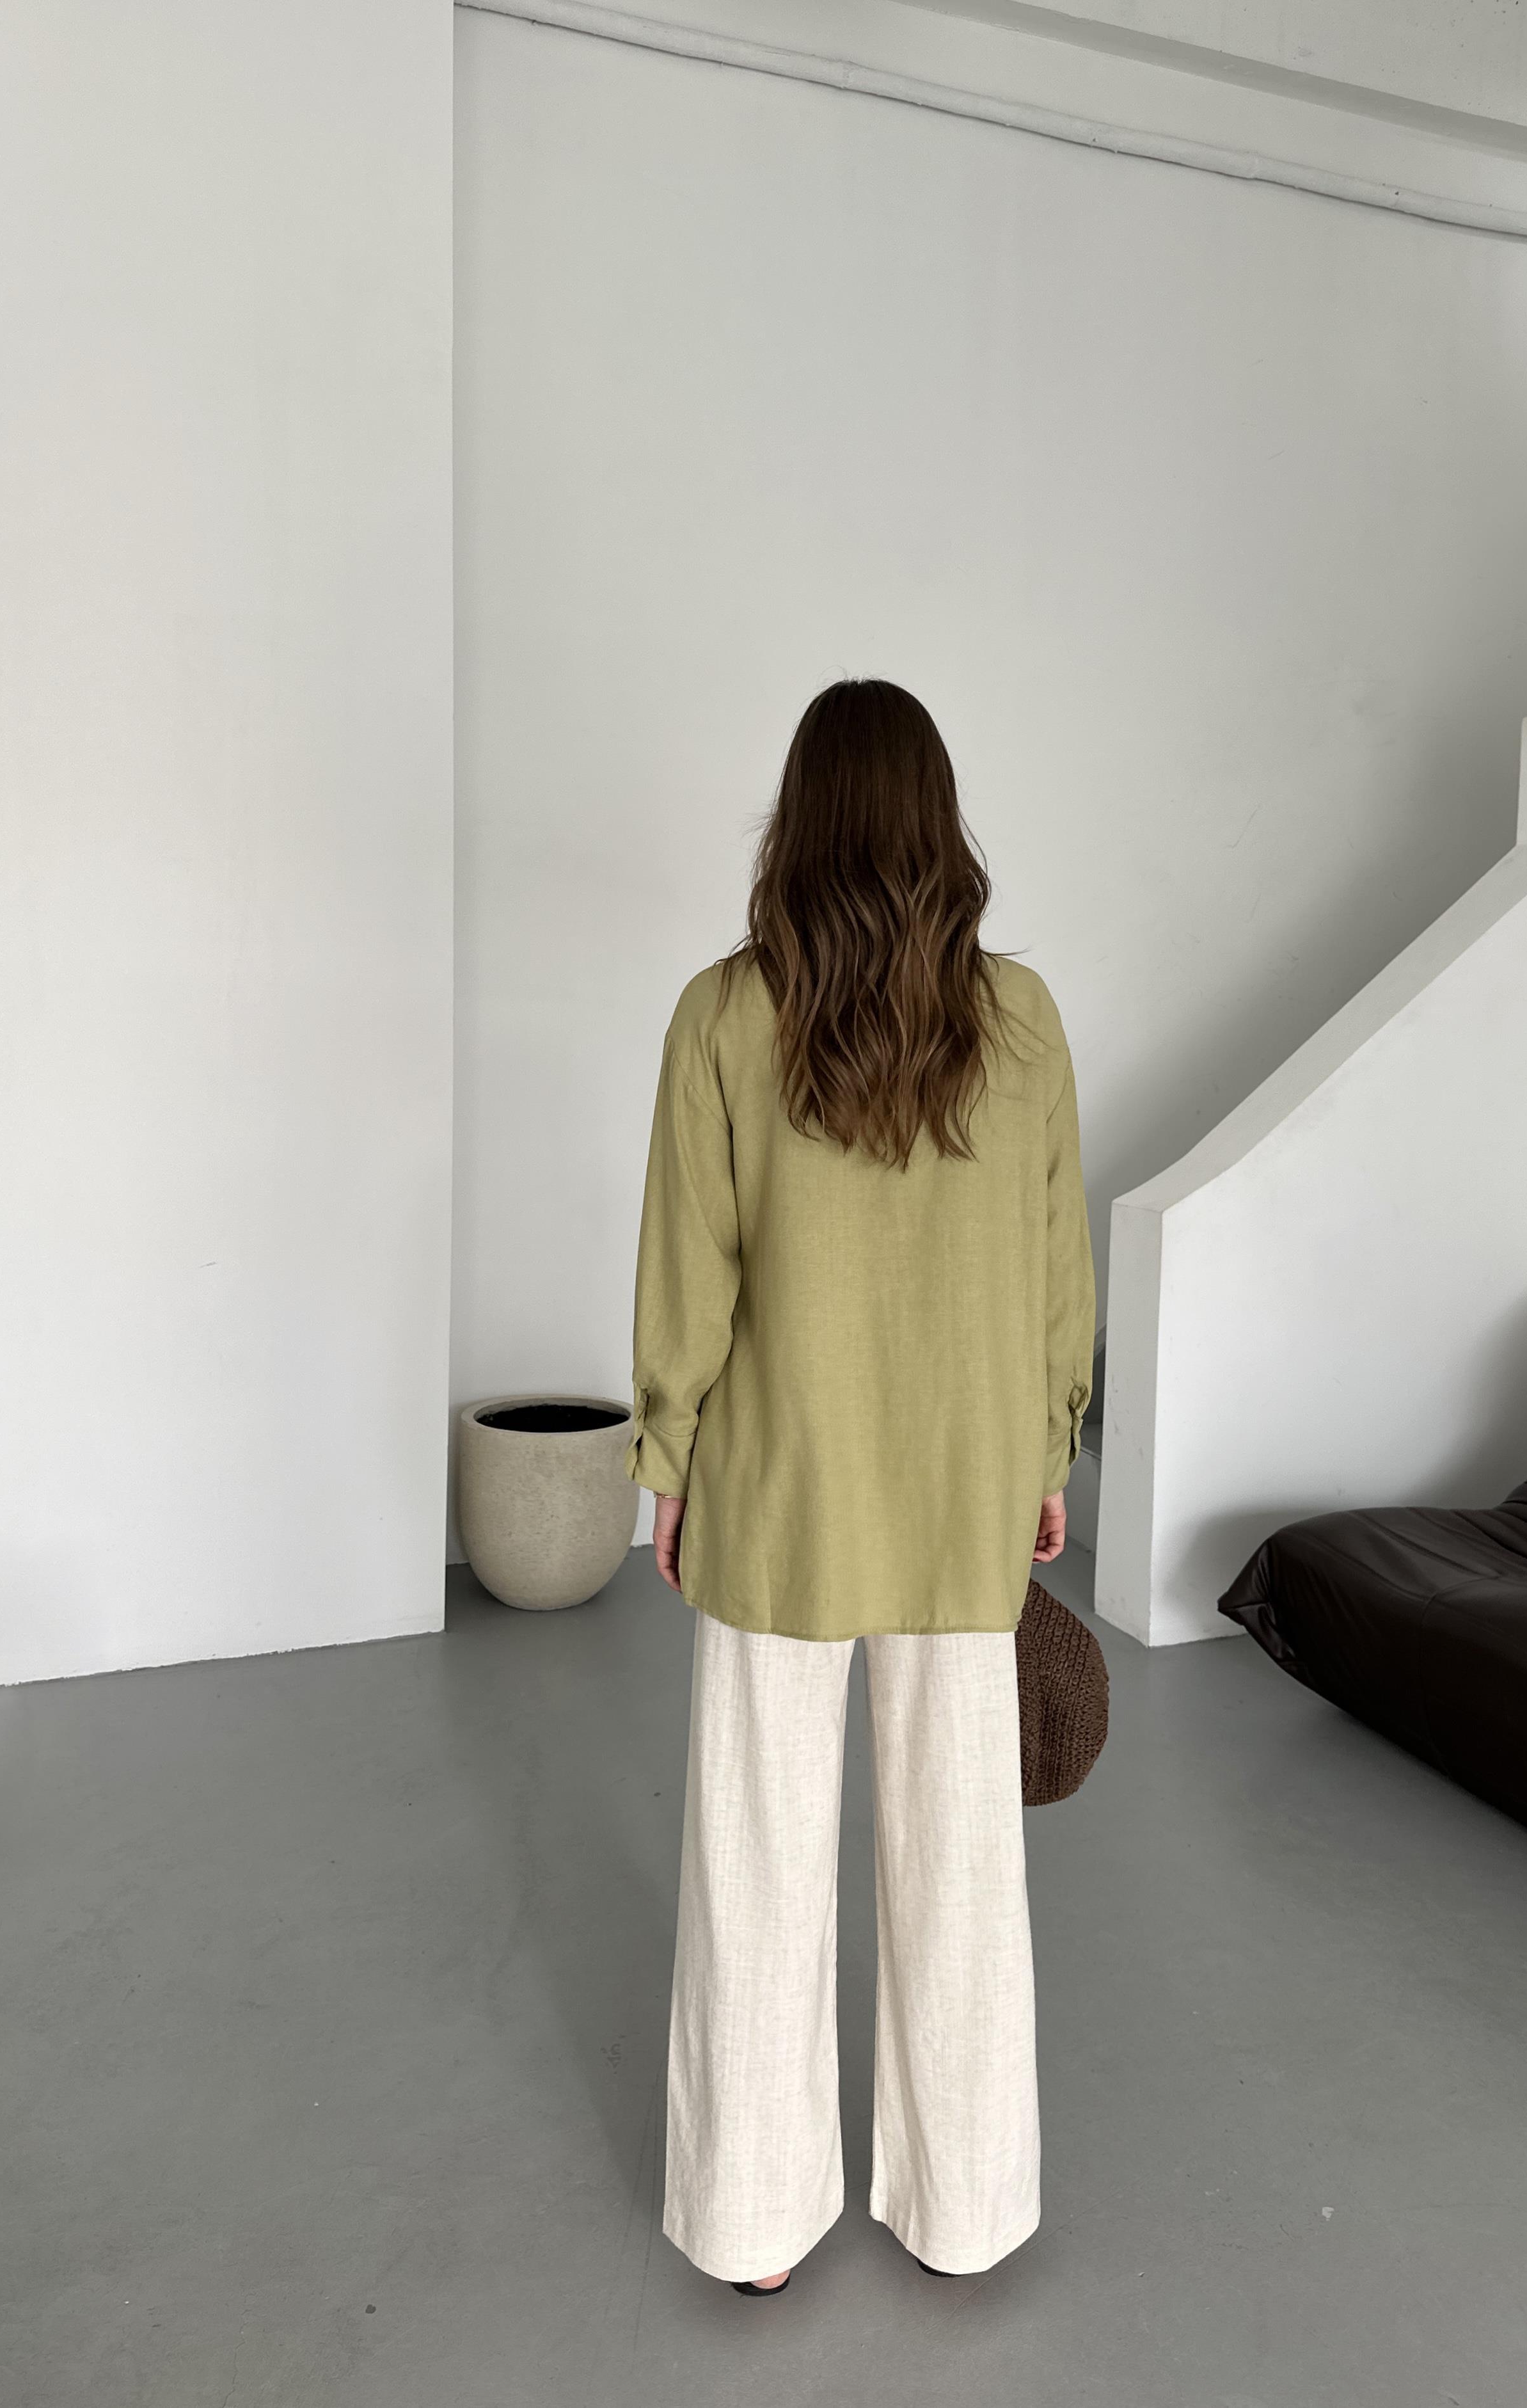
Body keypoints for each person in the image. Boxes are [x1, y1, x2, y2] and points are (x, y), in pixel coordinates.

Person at [624, 677, 1095, 2297]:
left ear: (800, 817)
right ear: (936, 820)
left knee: (754, 1861)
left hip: (783, 1492)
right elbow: (1055, 1270)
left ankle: (751, 2222)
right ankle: (964, 2211)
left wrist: (669, 1465)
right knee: (960, 1862)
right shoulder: (1020, 1020)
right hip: (963, 1487)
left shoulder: (720, 1014)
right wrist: (1044, 1450)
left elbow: (687, 1275)